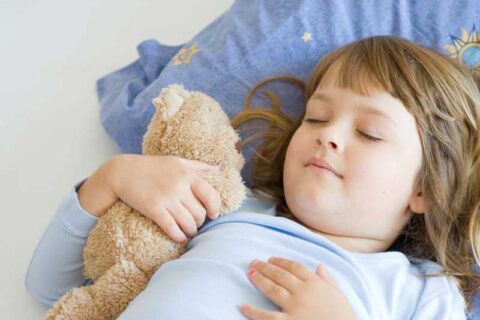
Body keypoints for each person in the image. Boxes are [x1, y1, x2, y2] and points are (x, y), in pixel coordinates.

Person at [25, 35, 480, 319]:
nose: (330, 138)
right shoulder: (223, 205)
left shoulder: (422, 290)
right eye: (317, 118)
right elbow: (49, 288)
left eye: (369, 133)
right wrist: (112, 180)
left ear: (425, 187)